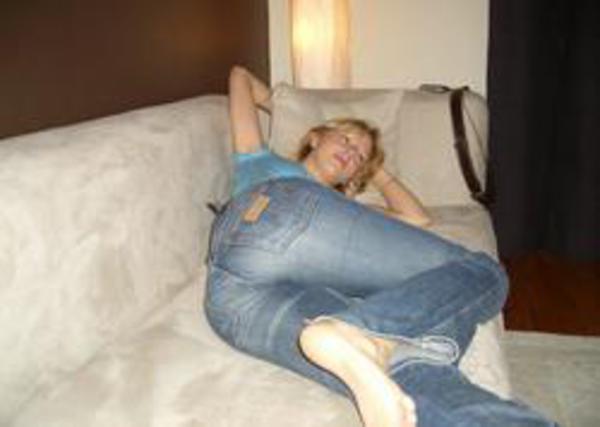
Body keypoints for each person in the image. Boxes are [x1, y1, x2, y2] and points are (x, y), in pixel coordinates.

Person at [204, 65, 558, 427]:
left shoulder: (346, 212)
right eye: (346, 139)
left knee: (409, 367)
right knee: (484, 272)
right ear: (314, 138)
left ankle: (367, 341)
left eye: (360, 157)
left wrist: (374, 169)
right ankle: (370, 333)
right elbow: (238, 76)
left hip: (231, 300)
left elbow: (417, 218)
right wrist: (291, 110)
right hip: (274, 210)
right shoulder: (258, 156)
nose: (352, 152)